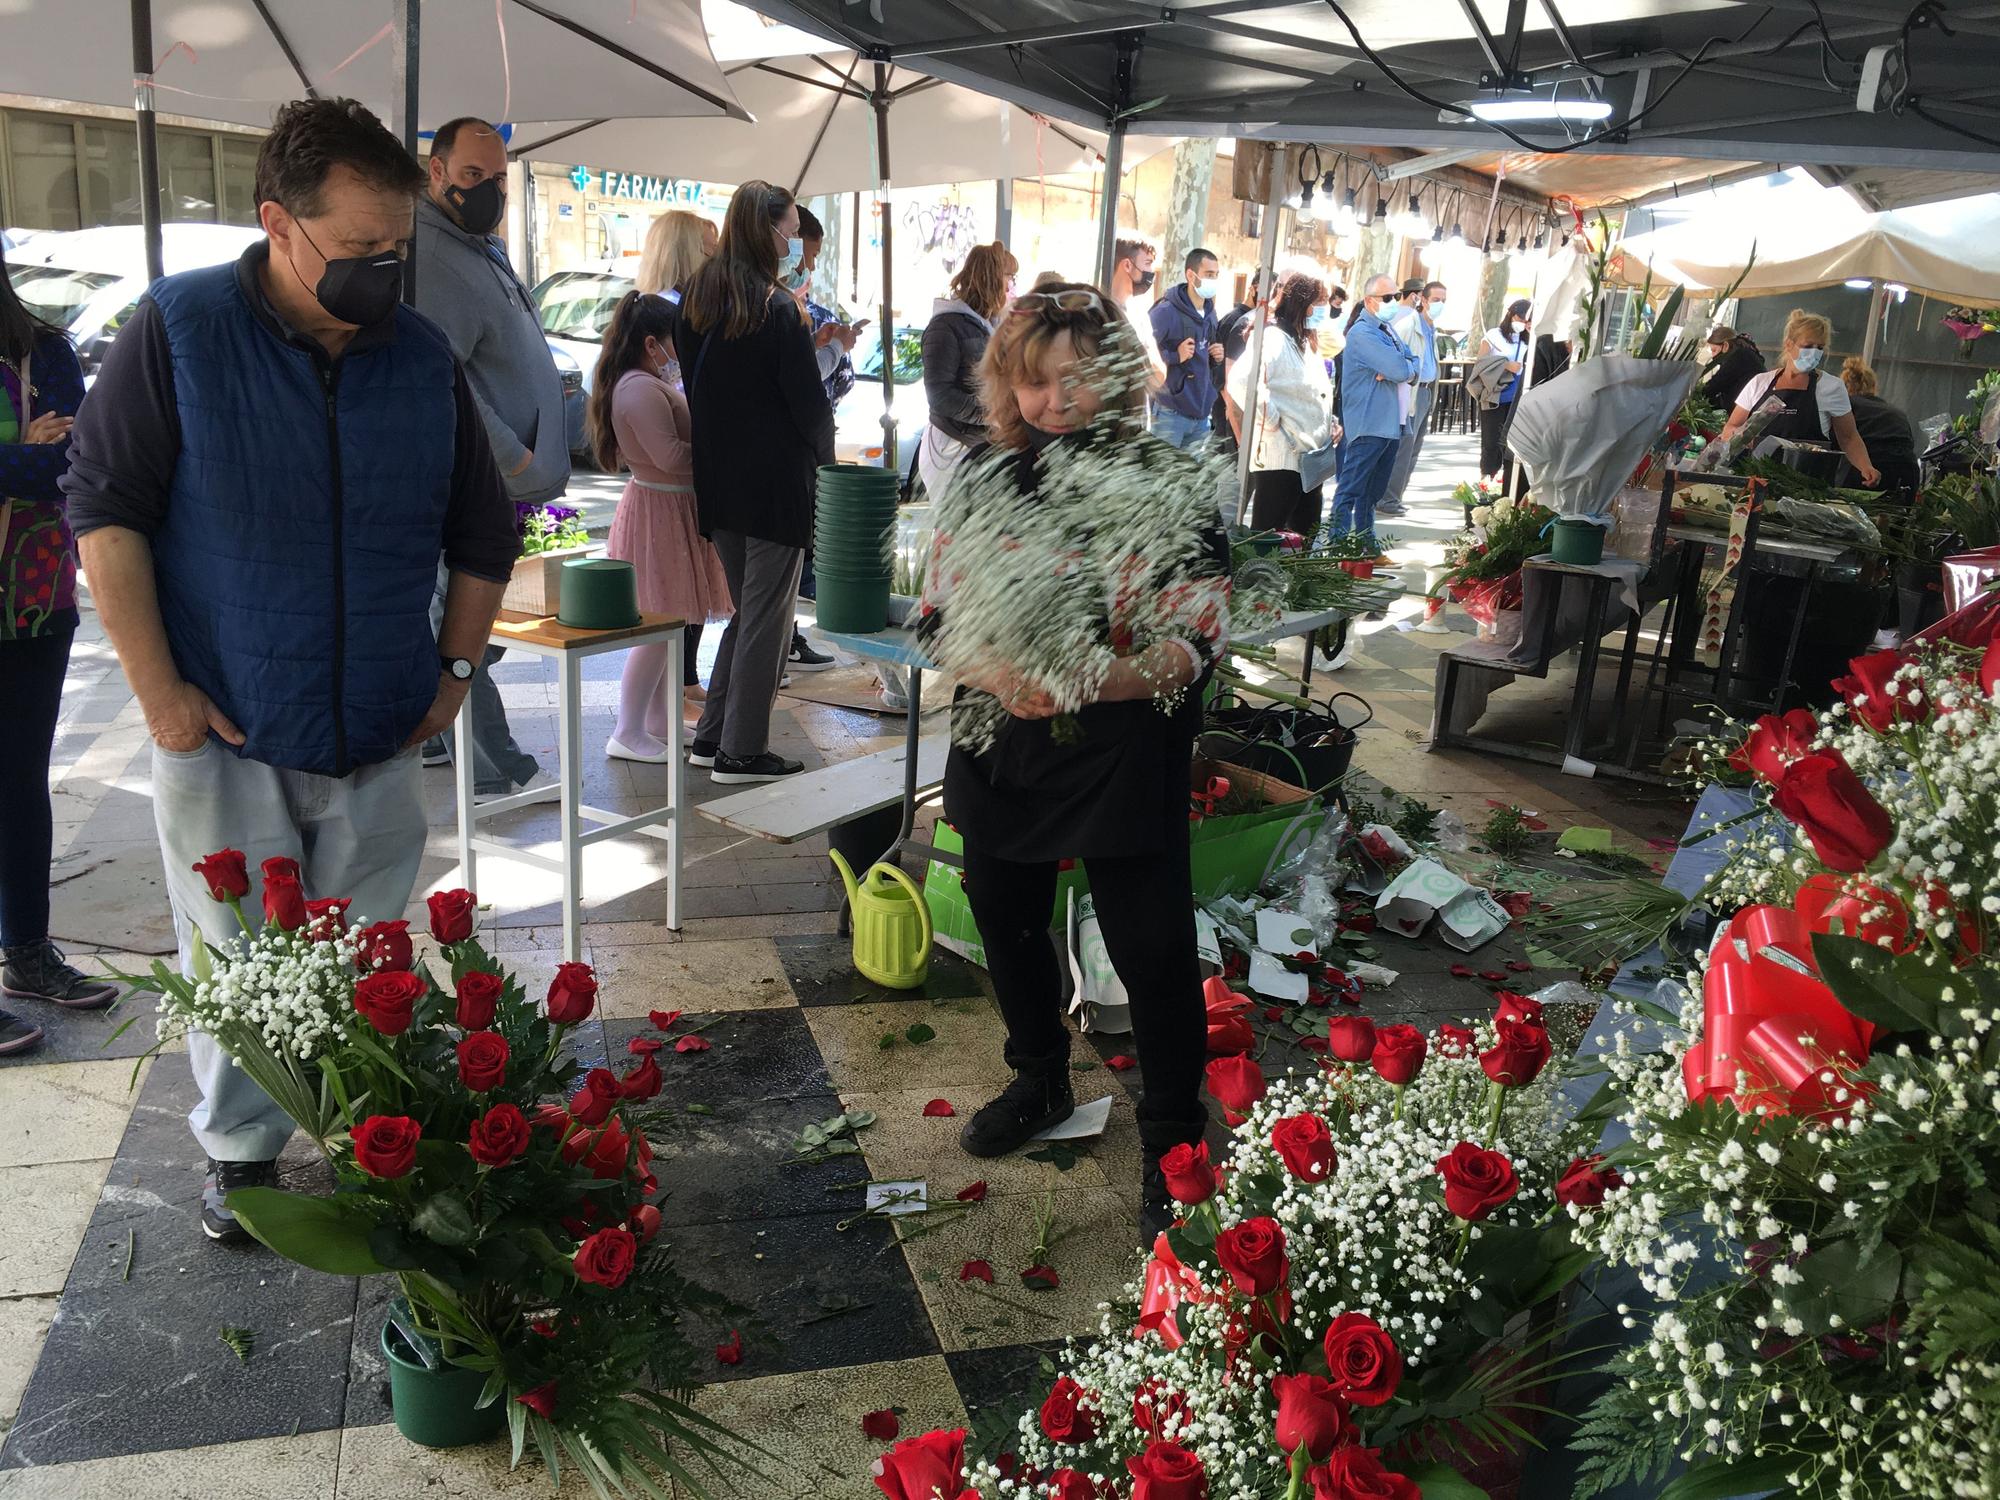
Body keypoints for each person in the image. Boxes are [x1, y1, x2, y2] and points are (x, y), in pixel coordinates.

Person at [64, 97, 514, 1243]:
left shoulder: (414, 358)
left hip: (377, 718)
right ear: (278, 221)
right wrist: (160, 698)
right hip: (225, 721)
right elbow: (106, 516)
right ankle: (242, 1156)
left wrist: (454, 675)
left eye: (395, 252)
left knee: (366, 958)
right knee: (238, 967)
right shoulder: (179, 331)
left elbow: (482, 529)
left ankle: (368, 1132)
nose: (381, 276)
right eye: (357, 251)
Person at [917, 282, 1226, 1240]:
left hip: (1125, 747)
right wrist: (999, 670)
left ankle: (1176, 1139)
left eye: (1077, 380)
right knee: (1005, 915)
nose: (1057, 401)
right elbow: (936, 621)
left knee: (1152, 949)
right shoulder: (981, 479)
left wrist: (1101, 677)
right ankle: (1040, 1077)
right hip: (1005, 737)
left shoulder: (1170, 485)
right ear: (1008, 387)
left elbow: (1199, 638)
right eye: (1036, 383)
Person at [414, 115, 566, 802]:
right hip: (486, 481)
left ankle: (446, 741)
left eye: (498, 178)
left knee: (481, 625)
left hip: (517, 482)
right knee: (463, 628)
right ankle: (495, 765)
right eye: (473, 176)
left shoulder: (475, 244)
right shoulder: (431, 251)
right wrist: (509, 456)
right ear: (436, 171)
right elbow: (446, 375)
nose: (489, 190)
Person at [0, 239, 118, 1054]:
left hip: (35, 599)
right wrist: (21, 456)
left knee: (20, 784)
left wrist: (34, 461)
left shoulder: (43, 345)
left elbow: (70, 459)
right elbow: (34, 463)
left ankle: (29, 954)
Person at [679, 181, 834, 784]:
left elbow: (699, 390)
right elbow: (809, 407)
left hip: (718, 483)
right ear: (768, 233)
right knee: (765, 619)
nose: (795, 242)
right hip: (775, 487)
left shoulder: (700, 297)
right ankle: (743, 751)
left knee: (752, 613)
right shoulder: (775, 308)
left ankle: (714, 738)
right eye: (792, 232)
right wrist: (829, 462)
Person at [590, 292, 732, 762]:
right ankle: (628, 728)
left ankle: (655, 721)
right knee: (657, 626)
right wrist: (724, 455)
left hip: (668, 510)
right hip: (659, 512)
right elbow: (669, 456)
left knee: (668, 624)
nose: (679, 350)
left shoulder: (643, 383)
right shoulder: (639, 389)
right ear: (653, 343)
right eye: (674, 340)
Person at [629, 208, 724, 712]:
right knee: (674, 592)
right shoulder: (669, 315)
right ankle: (674, 692)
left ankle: (677, 690)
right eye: (708, 246)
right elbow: (666, 445)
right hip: (667, 490)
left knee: (682, 589)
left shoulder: (674, 309)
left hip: (675, 485)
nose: (715, 255)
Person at [780, 205, 854, 679]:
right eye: (804, 253)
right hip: (783, 466)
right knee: (767, 597)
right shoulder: (775, 305)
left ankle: (784, 643)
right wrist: (833, 348)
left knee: (773, 594)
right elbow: (801, 386)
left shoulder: (786, 304)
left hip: (794, 460)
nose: (808, 267)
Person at [1715, 309, 1879, 486]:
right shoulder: (1759, 383)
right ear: (1788, 345)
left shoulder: (1831, 387)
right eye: (1808, 346)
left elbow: (1849, 437)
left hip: (1808, 484)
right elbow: (1731, 427)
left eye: (1820, 348)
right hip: (1756, 479)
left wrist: (1866, 466)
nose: (1814, 352)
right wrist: (1741, 436)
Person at [919, 240, 1017, 501]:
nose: (1013, 286)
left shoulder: (990, 326)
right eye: (1010, 277)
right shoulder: (945, 327)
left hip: (976, 446)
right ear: (993, 280)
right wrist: (993, 412)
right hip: (948, 448)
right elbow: (940, 396)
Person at [1240, 271, 1336, 537]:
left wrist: (1331, 422)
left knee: (1306, 535)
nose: (1325, 308)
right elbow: (1241, 381)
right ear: (1304, 304)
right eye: (1322, 301)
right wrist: (1269, 418)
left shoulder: (1306, 341)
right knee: (1268, 537)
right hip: (1281, 456)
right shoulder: (1274, 338)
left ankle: (1296, 579)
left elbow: (1314, 392)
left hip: (1311, 457)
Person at [1333, 274, 1419, 546]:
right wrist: (1401, 369)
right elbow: (1398, 368)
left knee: (1372, 492)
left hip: (1390, 423)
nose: (1394, 301)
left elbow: (1413, 362)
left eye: (1396, 295)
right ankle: (1337, 545)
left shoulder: (1387, 330)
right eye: (1387, 298)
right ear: (1370, 302)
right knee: (1351, 489)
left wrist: (1403, 369)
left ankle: (1365, 544)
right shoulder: (1362, 333)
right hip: (1369, 423)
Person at [1377, 278, 1445, 518]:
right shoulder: (1408, 325)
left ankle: (1396, 496)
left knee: (1414, 448)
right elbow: (1393, 357)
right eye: (1436, 300)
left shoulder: (1431, 329)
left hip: (1425, 392)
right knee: (1403, 449)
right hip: (1409, 392)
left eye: (1443, 301)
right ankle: (1388, 499)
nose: (1440, 305)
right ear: (1423, 300)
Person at [1148, 246, 1224, 451]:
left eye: (1216, 275)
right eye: (1209, 274)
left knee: (1191, 482)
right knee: (1162, 481)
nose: (1213, 280)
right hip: (1169, 415)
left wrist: (1216, 355)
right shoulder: (1165, 312)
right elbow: (1140, 353)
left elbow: (1205, 357)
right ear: (1191, 275)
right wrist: (1174, 356)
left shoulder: (1210, 314)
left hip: (1201, 419)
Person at [1840, 357, 1918, 494]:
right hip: (1906, 474)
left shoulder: (1846, 408)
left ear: (1844, 387)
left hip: (1863, 475)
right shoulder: (1896, 412)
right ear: (1874, 386)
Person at [1478, 298, 1532, 482]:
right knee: (1491, 440)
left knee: (1509, 442)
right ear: (1511, 314)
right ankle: (1486, 479)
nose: (1523, 323)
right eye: (1520, 318)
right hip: (1494, 393)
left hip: (1518, 395)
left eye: (1527, 320)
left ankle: (1504, 482)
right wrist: (1506, 364)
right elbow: (1481, 362)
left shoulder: (1528, 339)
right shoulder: (1494, 335)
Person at [1212, 268, 1264, 448]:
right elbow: (1220, 370)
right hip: (1227, 411)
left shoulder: (1260, 322)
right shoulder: (1235, 321)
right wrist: (1231, 408)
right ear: (1253, 289)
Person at [636, 207, 716, 297]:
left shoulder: (647, 302)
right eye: (711, 250)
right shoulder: (672, 306)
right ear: (684, 256)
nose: (716, 258)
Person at [1699, 325, 1764, 409]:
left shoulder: (1739, 357)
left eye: (1714, 350)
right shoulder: (1747, 353)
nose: (1713, 355)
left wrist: (1698, 396)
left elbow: (1715, 385)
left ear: (1725, 345)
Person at [1108, 235, 1156, 309]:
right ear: (1127, 265)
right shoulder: (1097, 311)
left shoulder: (1137, 312)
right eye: (1148, 263)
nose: (1151, 270)